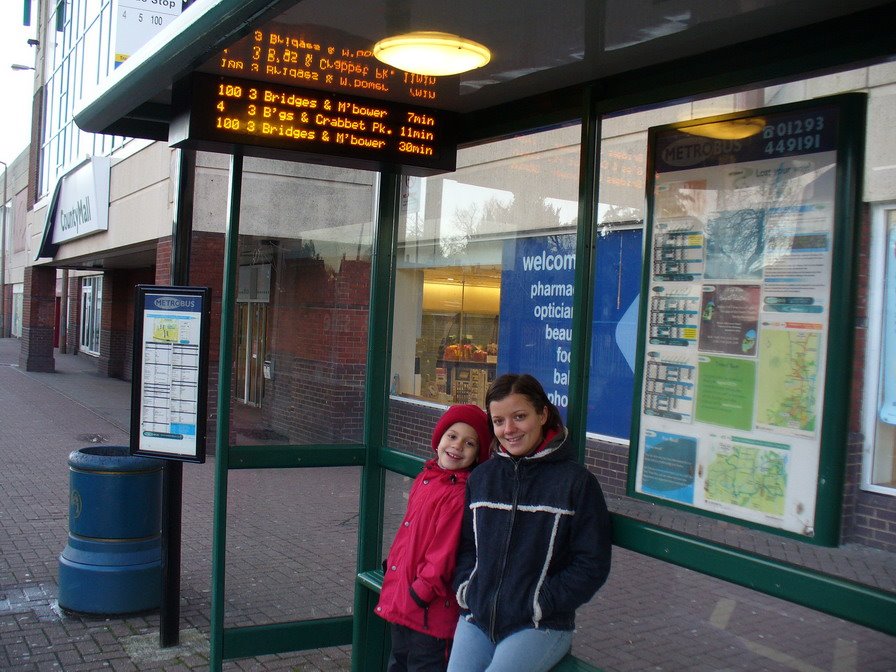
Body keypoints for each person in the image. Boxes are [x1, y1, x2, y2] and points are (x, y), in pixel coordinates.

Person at [448, 374, 612, 672]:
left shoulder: (576, 483)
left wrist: (539, 602)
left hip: (539, 624)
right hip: (478, 617)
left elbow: (592, 563)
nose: (508, 429)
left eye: (519, 417)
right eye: (498, 421)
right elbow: (466, 549)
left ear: (543, 414)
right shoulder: (482, 478)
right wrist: (467, 591)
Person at [376, 404, 493, 672]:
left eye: (469, 443)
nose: (457, 446)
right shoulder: (426, 478)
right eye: (452, 436)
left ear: (477, 455)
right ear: (439, 439)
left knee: (423, 666)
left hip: (430, 611)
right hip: (405, 599)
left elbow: (443, 554)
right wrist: (394, 570)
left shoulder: (458, 493)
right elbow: (410, 533)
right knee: (399, 663)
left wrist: (420, 592)